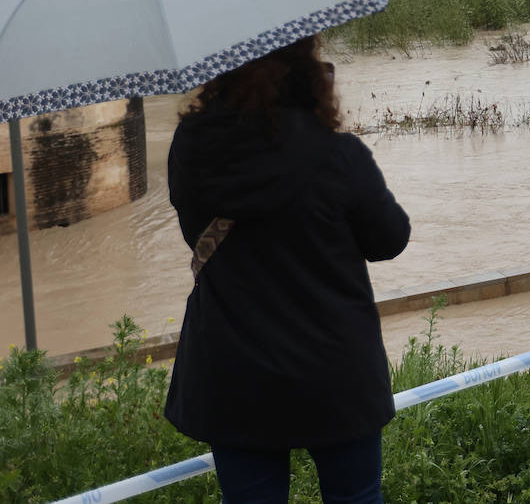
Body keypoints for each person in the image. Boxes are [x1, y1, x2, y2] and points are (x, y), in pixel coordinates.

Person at [164, 34, 411, 504]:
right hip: (336, 372)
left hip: (233, 373)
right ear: (307, 71)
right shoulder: (339, 157)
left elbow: (194, 235)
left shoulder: (192, 151)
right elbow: (389, 240)